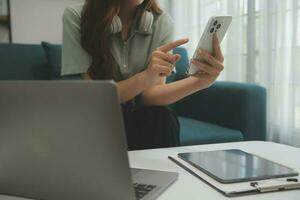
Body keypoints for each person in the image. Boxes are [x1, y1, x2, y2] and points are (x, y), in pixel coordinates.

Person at [61, 0, 224, 150]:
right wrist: (145, 77)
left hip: (140, 115)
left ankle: (161, 181)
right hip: (98, 115)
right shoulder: (77, 16)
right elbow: (93, 98)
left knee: (162, 118)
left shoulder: (161, 22)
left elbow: (151, 97)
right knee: (114, 117)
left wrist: (200, 81)